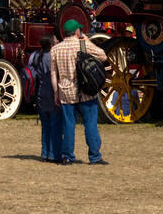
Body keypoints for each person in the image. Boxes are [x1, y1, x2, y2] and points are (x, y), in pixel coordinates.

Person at [50, 19, 107, 165]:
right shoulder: (83, 44)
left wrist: (56, 93)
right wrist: (87, 41)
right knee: (90, 124)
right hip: (86, 91)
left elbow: (53, 74)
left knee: (68, 126)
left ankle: (68, 156)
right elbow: (103, 56)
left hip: (66, 93)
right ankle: (95, 156)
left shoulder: (55, 49)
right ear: (77, 32)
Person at [29, 35, 63, 163]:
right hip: (51, 92)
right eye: (56, 41)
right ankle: (54, 154)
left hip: (40, 93)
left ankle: (45, 153)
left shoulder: (36, 56)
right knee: (55, 126)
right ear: (51, 45)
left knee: (46, 126)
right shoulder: (52, 57)